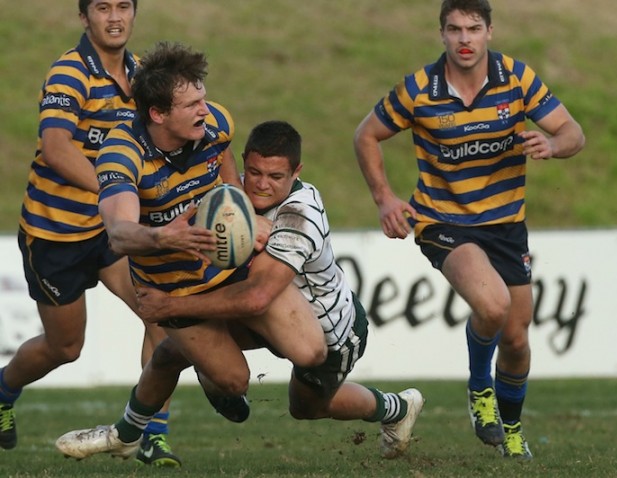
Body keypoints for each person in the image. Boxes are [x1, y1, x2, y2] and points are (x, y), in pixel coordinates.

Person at [55, 120, 424, 461]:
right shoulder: (233, 194)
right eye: (256, 173)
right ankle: (126, 433)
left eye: (276, 176)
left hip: (327, 330)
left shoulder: (299, 216)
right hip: (265, 317)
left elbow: (257, 295)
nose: (262, 184)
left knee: (307, 407)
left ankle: (397, 407)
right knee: (171, 351)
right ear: (247, 162)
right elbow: (217, 156)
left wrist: (171, 304)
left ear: (296, 172)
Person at [54, 45, 328, 462]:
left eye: (202, 97)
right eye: (192, 104)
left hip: (230, 268)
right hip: (172, 288)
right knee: (234, 383)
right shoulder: (122, 154)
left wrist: (243, 214)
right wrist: (166, 238)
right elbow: (120, 234)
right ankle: (198, 357)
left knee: (310, 351)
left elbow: (225, 166)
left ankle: (183, 352)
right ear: (159, 114)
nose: (205, 109)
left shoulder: (215, 123)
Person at [353, 0, 584, 460]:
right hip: (443, 221)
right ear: (441, 34)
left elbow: (572, 131)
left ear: (489, 33)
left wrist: (554, 144)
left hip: (505, 225)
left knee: (517, 338)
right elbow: (366, 134)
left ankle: (513, 432)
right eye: (455, 29)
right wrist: (385, 198)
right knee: (493, 304)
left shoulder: (517, 79)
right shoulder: (420, 89)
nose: (464, 38)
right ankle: (481, 389)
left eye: (473, 29)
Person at [0, 0, 182, 467]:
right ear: (85, 17)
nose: (115, 17)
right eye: (103, 7)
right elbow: (56, 149)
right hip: (54, 232)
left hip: (110, 230)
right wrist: (112, 188)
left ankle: (151, 434)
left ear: (135, 13)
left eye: (124, 6)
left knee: (160, 313)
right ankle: (2, 391)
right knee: (65, 348)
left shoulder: (143, 76)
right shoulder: (70, 72)